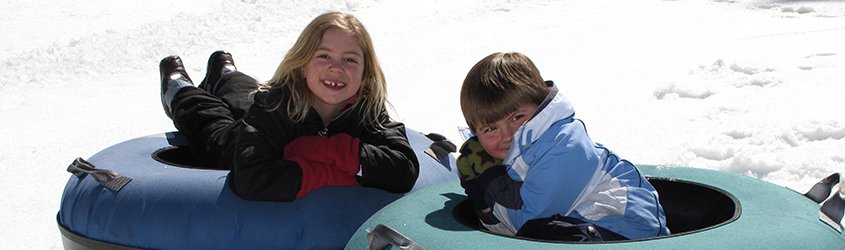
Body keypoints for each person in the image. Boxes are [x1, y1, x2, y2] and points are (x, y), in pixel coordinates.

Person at [158, 12, 420, 202]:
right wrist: (338, 171)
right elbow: (251, 178)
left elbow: (404, 170)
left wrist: (326, 151)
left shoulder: (366, 109)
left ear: (365, 74)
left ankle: (224, 74)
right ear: (303, 65)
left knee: (247, 101)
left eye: (350, 60)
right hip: (237, 141)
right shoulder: (275, 104)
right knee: (212, 123)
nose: (336, 68)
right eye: (324, 56)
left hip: (268, 121)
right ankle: (179, 88)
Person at [457, 52, 670, 241]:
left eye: (517, 117)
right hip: (585, 227)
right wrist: (484, 207)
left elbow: (528, 221)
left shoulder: (564, 145)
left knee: (547, 232)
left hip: (627, 236)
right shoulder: (518, 154)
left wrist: (489, 183)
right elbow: (508, 232)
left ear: (540, 105)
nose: (507, 135)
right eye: (490, 128)